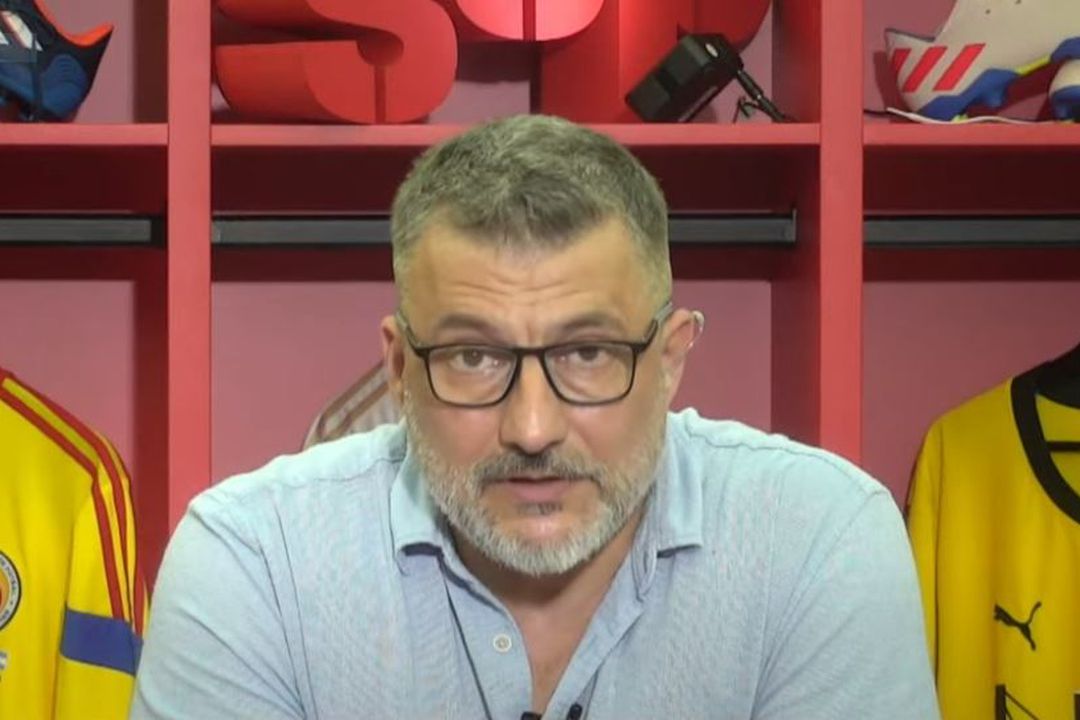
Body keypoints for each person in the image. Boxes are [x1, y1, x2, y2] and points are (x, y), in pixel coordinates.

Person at [132, 114, 939, 719]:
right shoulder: (255, 560)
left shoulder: (818, 540)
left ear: (670, 359)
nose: (531, 428)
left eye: (588, 353)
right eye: (473, 357)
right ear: (400, 371)